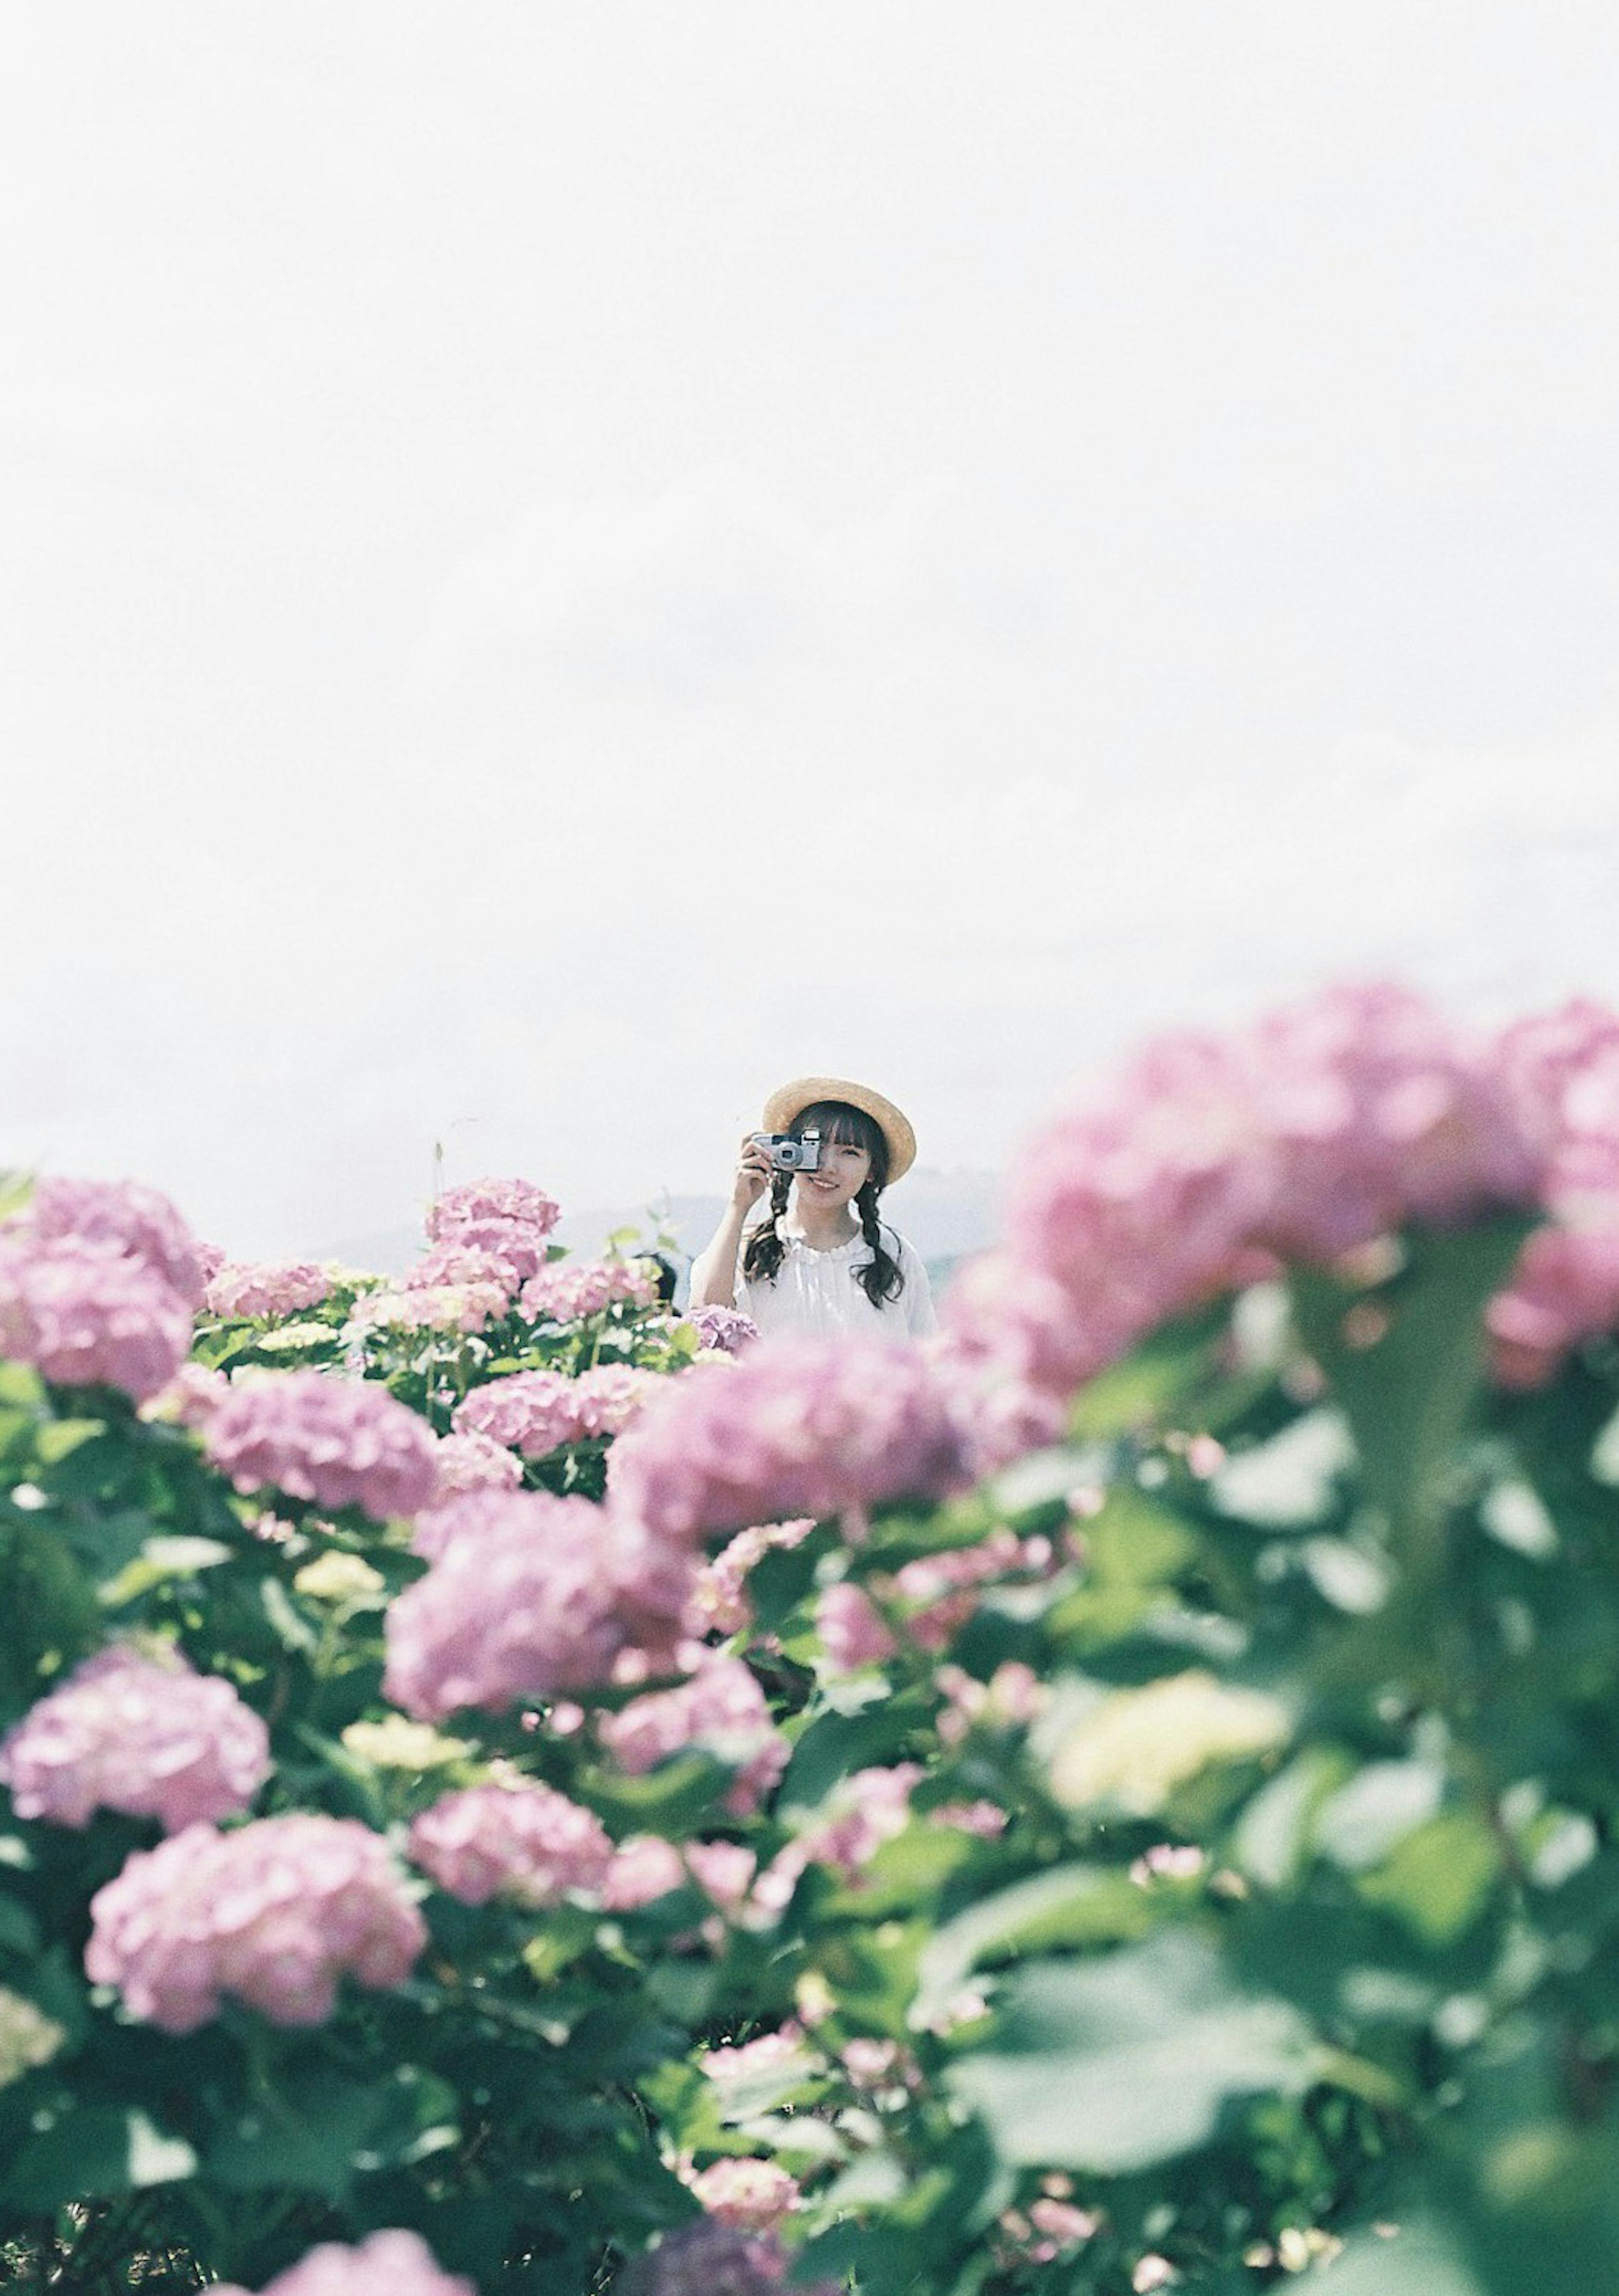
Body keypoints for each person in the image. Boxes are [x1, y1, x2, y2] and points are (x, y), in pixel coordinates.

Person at [688, 1076, 936, 1341]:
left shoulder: (893, 1255)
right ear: (790, 1151)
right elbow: (706, 1322)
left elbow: (928, 1355)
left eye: (850, 1152)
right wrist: (739, 1207)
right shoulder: (751, 1249)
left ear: (872, 1170)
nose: (828, 1166)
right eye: (815, 1146)